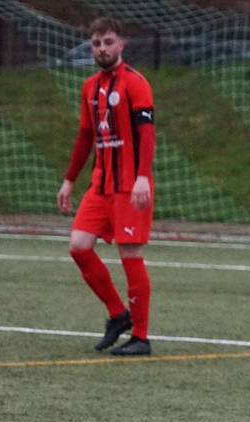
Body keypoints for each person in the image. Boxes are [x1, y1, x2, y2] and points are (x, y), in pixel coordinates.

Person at [57, 16, 155, 356]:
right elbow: (86, 136)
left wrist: (142, 176)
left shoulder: (135, 83)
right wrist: (69, 180)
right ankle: (118, 314)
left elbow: (146, 134)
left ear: (121, 45)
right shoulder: (89, 87)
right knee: (79, 247)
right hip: (100, 186)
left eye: (108, 42)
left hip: (130, 186)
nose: (102, 49)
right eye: (97, 44)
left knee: (130, 256)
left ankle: (141, 337)